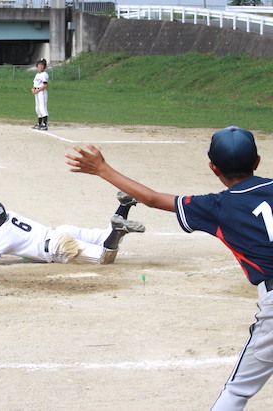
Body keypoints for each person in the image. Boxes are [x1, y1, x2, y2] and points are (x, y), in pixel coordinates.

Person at [65, 126, 273, 410]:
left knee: (237, 392)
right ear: (257, 161)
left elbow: (152, 198)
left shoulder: (216, 206)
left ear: (213, 168)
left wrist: (103, 169)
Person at [0, 193, 144, 266]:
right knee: (103, 235)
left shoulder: (3, 237)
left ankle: (119, 231)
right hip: (63, 232)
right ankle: (124, 205)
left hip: (61, 247)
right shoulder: (9, 215)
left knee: (104, 257)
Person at [31, 57, 49, 131]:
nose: (40, 66)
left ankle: (44, 124)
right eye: (39, 64)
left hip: (41, 92)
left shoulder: (44, 74)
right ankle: (39, 123)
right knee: (37, 108)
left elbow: (45, 85)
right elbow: (35, 84)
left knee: (42, 108)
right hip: (37, 92)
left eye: (42, 65)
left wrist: (37, 90)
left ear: (44, 66)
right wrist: (33, 89)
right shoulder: (37, 75)